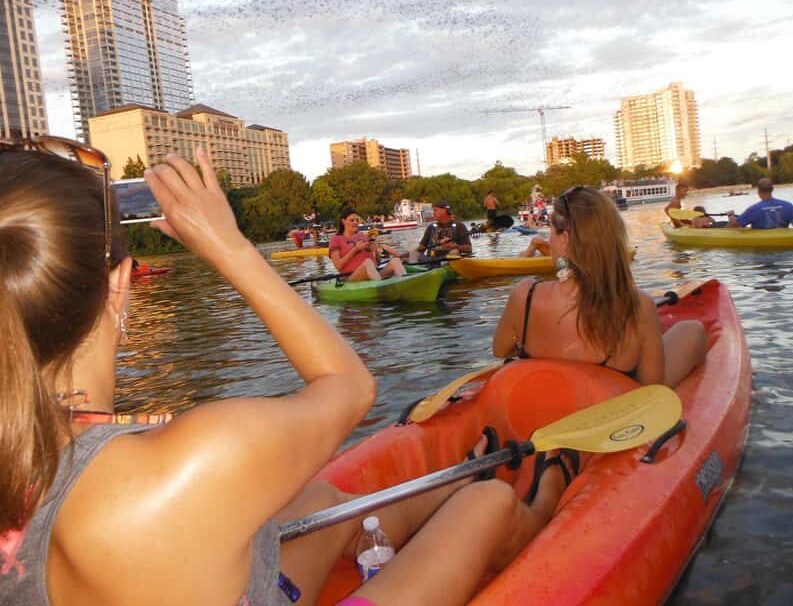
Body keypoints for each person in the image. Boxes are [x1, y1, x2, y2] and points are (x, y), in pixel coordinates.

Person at [0, 145, 575, 606]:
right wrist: (229, 246)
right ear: (120, 285)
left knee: (319, 501)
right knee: (486, 510)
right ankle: (540, 495)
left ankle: (452, 480)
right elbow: (350, 387)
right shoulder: (192, 459)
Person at [494, 186, 706, 389]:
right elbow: (652, 387)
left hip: (550, 402)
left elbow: (501, 349)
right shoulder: (638, 306)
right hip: (606, 407)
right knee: (692, 329)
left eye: (551, 231)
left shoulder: (525, 295)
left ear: (565, 238)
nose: (549, 240)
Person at [329, 207, 406, 282]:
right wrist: (356, 249)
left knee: (395, 261)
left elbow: (377, 262)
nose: (355, 222)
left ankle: (405, 281)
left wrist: (375, 251)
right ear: (343, 221)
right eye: (352, 220)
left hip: (373, 273)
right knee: (367, 262)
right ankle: (380, 286)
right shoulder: (336, 239)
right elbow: (338, 266)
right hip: (351, 277)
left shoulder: (362, 236)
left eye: (357, 220)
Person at [727, 178, 793, 229]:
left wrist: (731, 216)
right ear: (772, 189)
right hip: (785, 248)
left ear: (758, 190)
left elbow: (734, 226)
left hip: (762, 251)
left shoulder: (753, 209)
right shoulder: (788, 205)